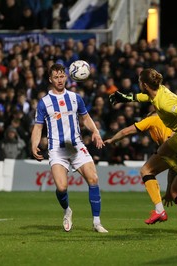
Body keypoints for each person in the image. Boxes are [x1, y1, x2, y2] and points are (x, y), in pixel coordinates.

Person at [109, 68, 177, 238]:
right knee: (163, 151)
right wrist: (128, 98)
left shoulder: (165, 102)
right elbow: (147, 97)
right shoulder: (157, 92)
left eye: (138, 81)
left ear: (143, 84)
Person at [30, 63, 108, 233]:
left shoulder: (75, 98)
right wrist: (34, 144)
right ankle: (67, 210)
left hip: (77, 146)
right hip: (57, 149)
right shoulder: (44, 102)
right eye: (56, 77)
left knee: (93, 179)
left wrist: (95, 132)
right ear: (50, 79)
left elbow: (85, 118)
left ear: (66, 76)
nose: (59, 80)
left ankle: (96, 222)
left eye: (62, 76)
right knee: (61, 188)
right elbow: (38, 127)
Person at [104, 110, 177, 235]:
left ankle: (159, 210)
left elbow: (126, 131)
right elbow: (173, 167)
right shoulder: (171, 122)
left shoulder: (153, 119)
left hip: (174, 148)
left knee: (146, 170)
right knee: (176, 192)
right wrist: (169, 190)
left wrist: (113, 140)